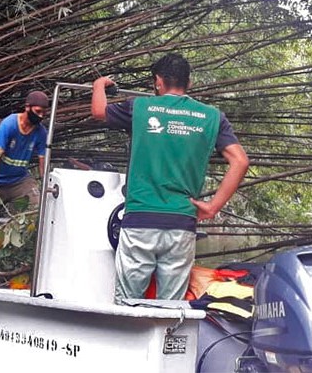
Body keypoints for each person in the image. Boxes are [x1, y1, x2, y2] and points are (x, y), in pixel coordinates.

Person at [90, 53, 249, 302]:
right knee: (170, 309)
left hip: (140, 218)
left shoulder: (140, 107)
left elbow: (98, 111)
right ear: (190, 83)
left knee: (126, 305)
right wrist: (212, 207)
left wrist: (99, 85)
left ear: (158, 81)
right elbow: (240, 161)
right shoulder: (212, 117)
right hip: (182, 222)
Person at [0, 91, 49, 233]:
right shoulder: (9, 124)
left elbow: (43, 161)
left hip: (20, 180)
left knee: (36, 208)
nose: (41, 116)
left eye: (44, 113)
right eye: (38, 111)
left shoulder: (41, 132)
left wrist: (45, 184)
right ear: (27, 107)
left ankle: (21, 240)